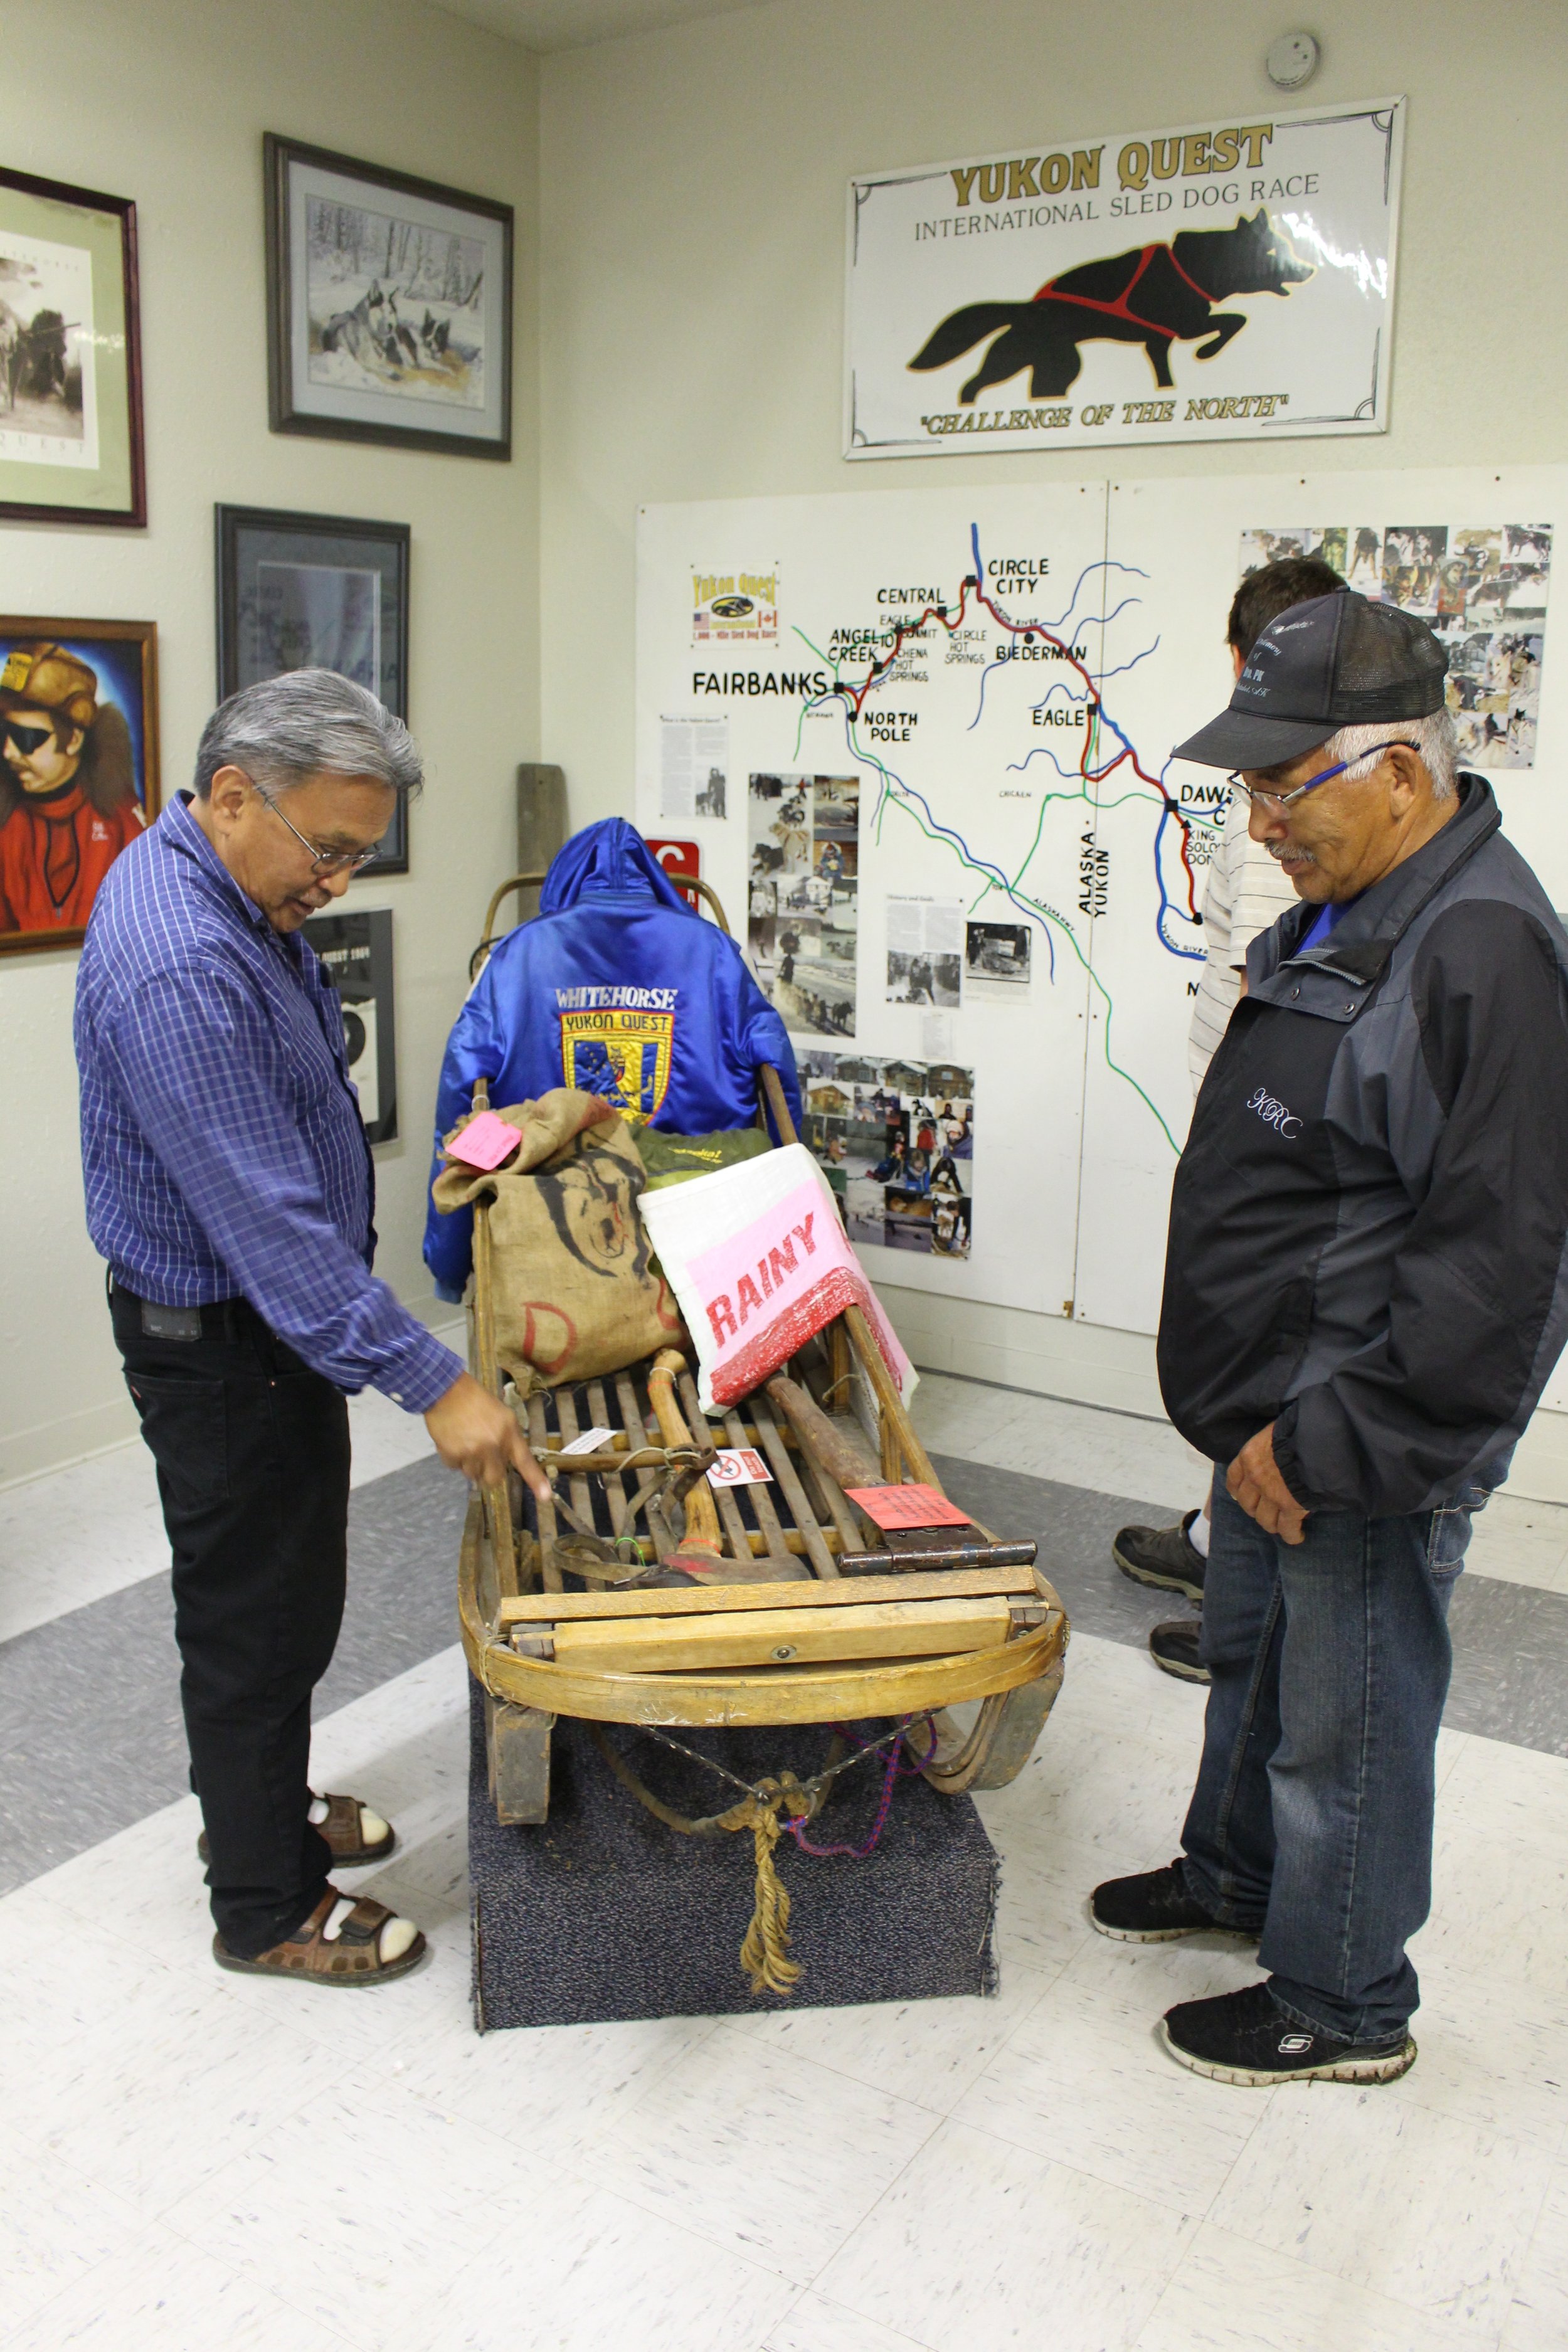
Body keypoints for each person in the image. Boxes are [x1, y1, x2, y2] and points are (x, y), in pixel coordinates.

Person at [1091, 588, 1568, 2087]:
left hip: (1352, 1433)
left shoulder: (1487, 952)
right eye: (1246, 785)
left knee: (1343, 1726)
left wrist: (1339, 1443)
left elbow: (1498, 1265)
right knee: (1256, 1673)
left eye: (1286, 785)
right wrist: (1250, 1414)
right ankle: (1236, 1882)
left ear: (1405, 772)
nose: (1261, 819)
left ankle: (1345, 1995)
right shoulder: (1356, 910)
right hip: (1270, 1418)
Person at [75, 671, 547, 1989]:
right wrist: (433, 1382)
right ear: (234, 798)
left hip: (264, 1328)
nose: (338, 880)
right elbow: (267, 1227)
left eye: (357, 853)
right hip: (222, 1339)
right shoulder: (179, 958)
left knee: (286, 1597)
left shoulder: (217, 885)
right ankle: (265, 1903)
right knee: (250, 1619)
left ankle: (264, 1811)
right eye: (328, 850)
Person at [1113, 554, 1343, 1682]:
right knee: (1245, 1338)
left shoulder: (1301, 791)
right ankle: (1219, 1540)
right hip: (1242, 1099)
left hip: (1254, 1112)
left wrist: (1240, 1124)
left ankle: (1241, 1600)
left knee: (1252, 1339)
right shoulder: (1288, 779)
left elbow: (1267, 971)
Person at [0, 641, 145, 933]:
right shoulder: (6, 828)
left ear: (74, 740)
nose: (9, 753)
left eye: (27, 738)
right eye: (3, 734)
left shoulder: (123, 823)